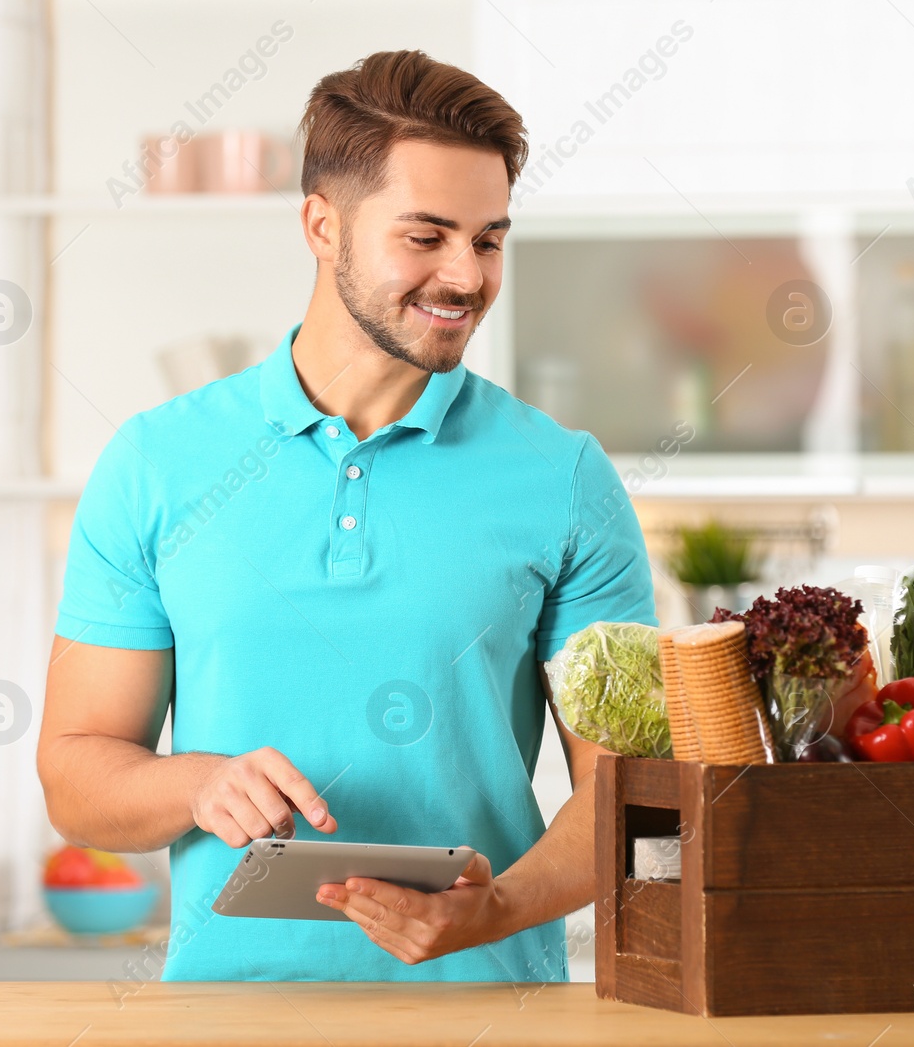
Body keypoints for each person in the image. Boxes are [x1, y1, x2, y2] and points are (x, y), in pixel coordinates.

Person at [36, 49, 658, 983]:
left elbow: (632, 787)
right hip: (228, 1019)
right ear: (322, 226)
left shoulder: (565, 478)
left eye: (489, 240)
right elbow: (76, 774)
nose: (467, 276)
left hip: (490, 1013)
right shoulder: (156, 462)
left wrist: (499, 910)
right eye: (427, 235)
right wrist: (198, 783)